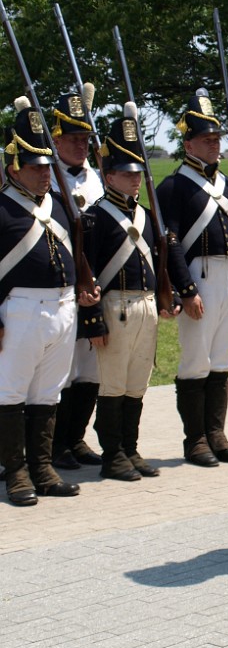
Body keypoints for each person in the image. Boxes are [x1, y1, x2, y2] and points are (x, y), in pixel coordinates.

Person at [156, 89, 228, 468]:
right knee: (195, 362)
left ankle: (217, 434)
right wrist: (186, 291)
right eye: (207, 140)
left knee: (223, 359)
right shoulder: (174, 187)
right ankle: (196, 439)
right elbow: (168, 243)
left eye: (217, 139)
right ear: (188, 143)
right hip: (198, 280)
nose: (215, 146)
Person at [0, 99, 89, 506]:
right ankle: (16, 473)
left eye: (45, 166)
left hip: (62, 307)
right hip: (19, 310)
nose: (43, 173)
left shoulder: (59, 205)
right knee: (11, 393)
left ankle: (42, 467)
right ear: (14, 165)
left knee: (48, 393)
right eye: (35, 166)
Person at [81, 112, 176, 481]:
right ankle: (113, 454)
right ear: (109, 177)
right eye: (126, 174)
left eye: (137, 174)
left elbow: (161, 261)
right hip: (113, 306)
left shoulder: (147, 216)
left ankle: (131, 448)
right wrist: (92, 321)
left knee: (137, 382)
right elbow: (86, 275)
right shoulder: (95, 218)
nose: (135, 180)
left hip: (146, 305)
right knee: (113, 384)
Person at [50, 92, 106, 472]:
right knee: (63, 371)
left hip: (99, 284)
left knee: (91, 370)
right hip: (63, 285)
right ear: (55, 142)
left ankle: (76, 437)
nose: (81, 145)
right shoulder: (47, 177)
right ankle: (54, 445)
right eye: (72, 139)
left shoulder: (98, 177)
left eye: (85, 139)